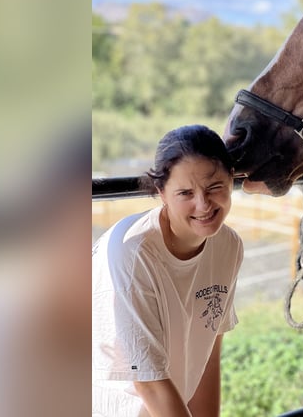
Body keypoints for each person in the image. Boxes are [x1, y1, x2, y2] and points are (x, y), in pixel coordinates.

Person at [92, 125, 244, 416]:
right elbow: (148, 382)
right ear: (161, 192)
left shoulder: (228, 245)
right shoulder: (134, 252)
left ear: (232, 178)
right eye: (185, 192)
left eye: (214, 187)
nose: (203, 204)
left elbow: (209, 351)